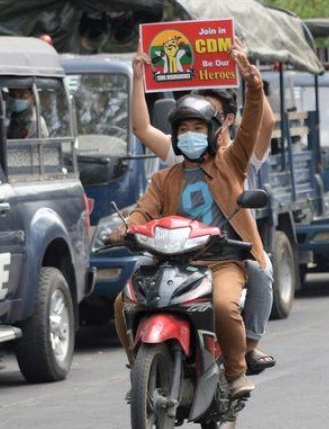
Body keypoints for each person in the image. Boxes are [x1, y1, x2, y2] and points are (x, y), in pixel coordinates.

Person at [111, 39, 273, 399]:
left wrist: (253, 83)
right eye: (184, 130)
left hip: (221, 262)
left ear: (215, 130)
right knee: (124, 304)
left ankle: (234, 372)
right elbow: (143, 211)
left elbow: (253, 127)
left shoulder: (231, 162)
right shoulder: (164, 177)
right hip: (172, 263)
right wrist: (124, 229)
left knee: (222, 307)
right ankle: (139, 369)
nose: (191, 136)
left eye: (199, 129)